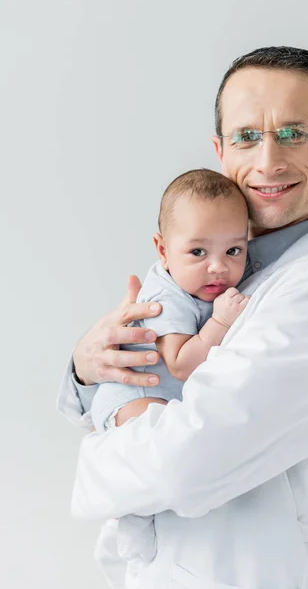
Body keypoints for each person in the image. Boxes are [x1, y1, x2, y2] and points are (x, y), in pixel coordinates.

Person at [58, 46, 308, 589]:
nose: (268, 161)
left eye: (295, 133)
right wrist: (85, 371)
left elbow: (182, 463)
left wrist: (94, 461)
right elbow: (143, 397)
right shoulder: (222, 270)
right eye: (247, 136)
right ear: (220, 150)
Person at [89, 168, 250, 580]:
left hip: (161, 396)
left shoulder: (200, 284)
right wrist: (221, 323)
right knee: (155, 449)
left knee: (169, 451)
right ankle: (130, 525)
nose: (218, 267)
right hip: (132, 398)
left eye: (234, 251)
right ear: (163, 249)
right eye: (198, 252)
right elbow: (179, 361)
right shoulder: (167, 296)